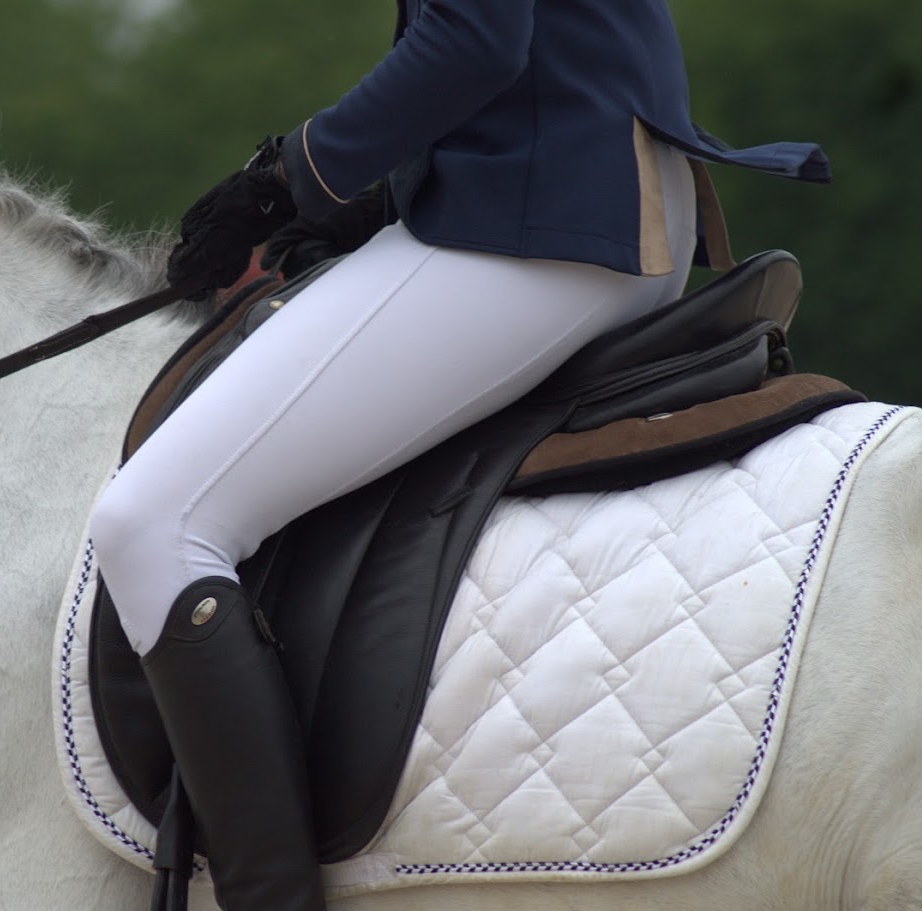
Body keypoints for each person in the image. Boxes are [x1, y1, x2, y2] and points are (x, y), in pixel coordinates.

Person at [89, 2, 829, 908]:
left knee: (152, 522)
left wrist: (293, 176)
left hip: (541, 224)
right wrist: (377, 192)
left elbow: (477, 40)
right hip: (582, 192)